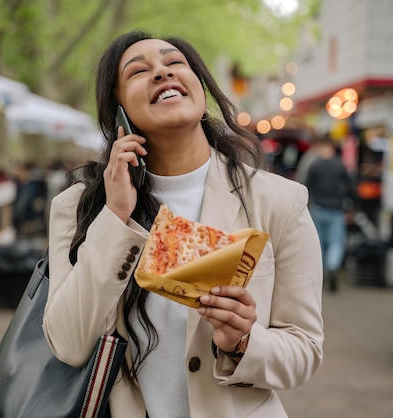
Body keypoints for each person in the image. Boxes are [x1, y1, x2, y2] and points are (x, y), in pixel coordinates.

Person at [42, 31, 324, 418]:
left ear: (199, 87)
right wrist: (114, 218)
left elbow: (305, 349)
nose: (162, 73)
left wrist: (241, 341)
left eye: (174, 63)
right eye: (139, 71)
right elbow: (68, 344)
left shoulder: (280, 201)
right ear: (118, 112)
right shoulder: (76, 207)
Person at [304, 135, 355, 292]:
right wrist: (351, 207)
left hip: (318, 208)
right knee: (336, 242)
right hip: (336, 209)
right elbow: (350, 187)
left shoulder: (315, 164)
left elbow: (307, 186)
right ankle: (333, 266)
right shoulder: (340, 165)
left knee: (319, 243)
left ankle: (320, 273)